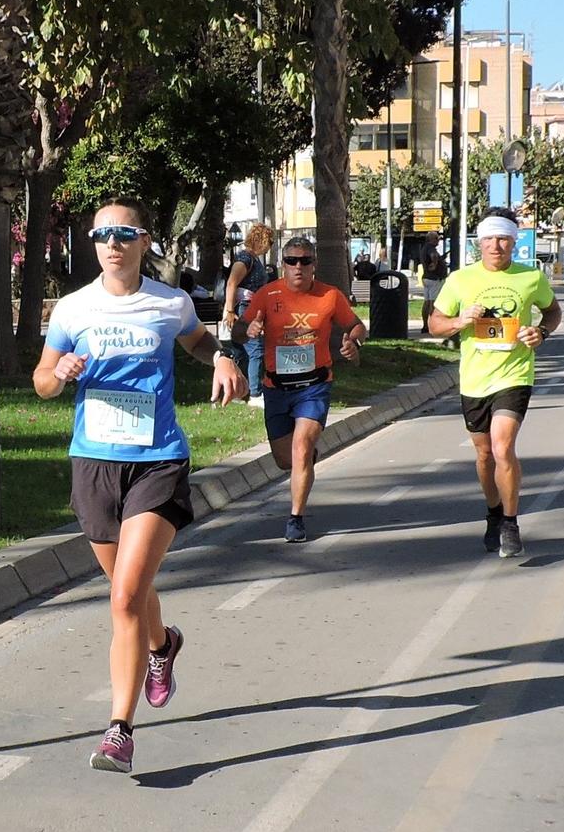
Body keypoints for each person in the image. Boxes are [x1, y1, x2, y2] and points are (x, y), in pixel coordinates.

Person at [35, 199, 247, 774]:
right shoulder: (74, 308)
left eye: (124, 234)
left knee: (125, 596)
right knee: (131, 588)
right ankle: (163, 646)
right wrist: (60, 374)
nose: (113, 243)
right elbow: (41, 380)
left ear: (143, 240)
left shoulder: (169, 302)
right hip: (95, 463)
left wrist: (223, 360)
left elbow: (198, 340)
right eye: (102, 233)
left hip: (157, 461)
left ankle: (118, 731)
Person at [425, 208, 562, 559]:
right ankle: (494, 512)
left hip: (514, 375)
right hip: (474, 380)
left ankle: (512, 524)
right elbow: (435, 324)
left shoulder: (531, 278)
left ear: (514, 243)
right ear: (479, 243)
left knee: (503, 448)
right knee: (484, 455)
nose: (496, 246)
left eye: (503, 239)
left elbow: (552, 311)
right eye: (489, 239)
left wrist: (541, 332)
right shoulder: (460, 280)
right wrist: (460, 320)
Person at [242, 235, 365, 543]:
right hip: (276, 387)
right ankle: (305, 459)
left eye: (305, 261)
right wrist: (250, 329)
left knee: (300, 449)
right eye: (291, 261)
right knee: (286, 459)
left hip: (314, 386)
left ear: (313, 265)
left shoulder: (330, 296)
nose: (298, 267)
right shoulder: (266, 295)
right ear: (282, 265)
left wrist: (354, 341)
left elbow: (355, 325)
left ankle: (295, 518)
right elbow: (238, 329)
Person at [222, 223, 274, 402]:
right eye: (270, 241)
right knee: (256, 350)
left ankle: (236, 392)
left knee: (240, 351)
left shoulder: (252, 258)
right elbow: (232, 283)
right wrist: (229, 310)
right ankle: (255, 393)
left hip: (249, 307)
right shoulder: (244, 258)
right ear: (262, 240)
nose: (270, 246)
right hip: (244, 307)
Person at [417, 244, 449, 335]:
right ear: (432, 239)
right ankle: (432, 326)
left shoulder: (424, 248)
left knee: (426, 302)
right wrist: (435, 264)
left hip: (426, 278)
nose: (438, 241)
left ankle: (425, 325)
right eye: (436, 239)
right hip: (434, 279)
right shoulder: (430, 248)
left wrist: (441, 258)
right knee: (433, 302)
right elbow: (433, 256)